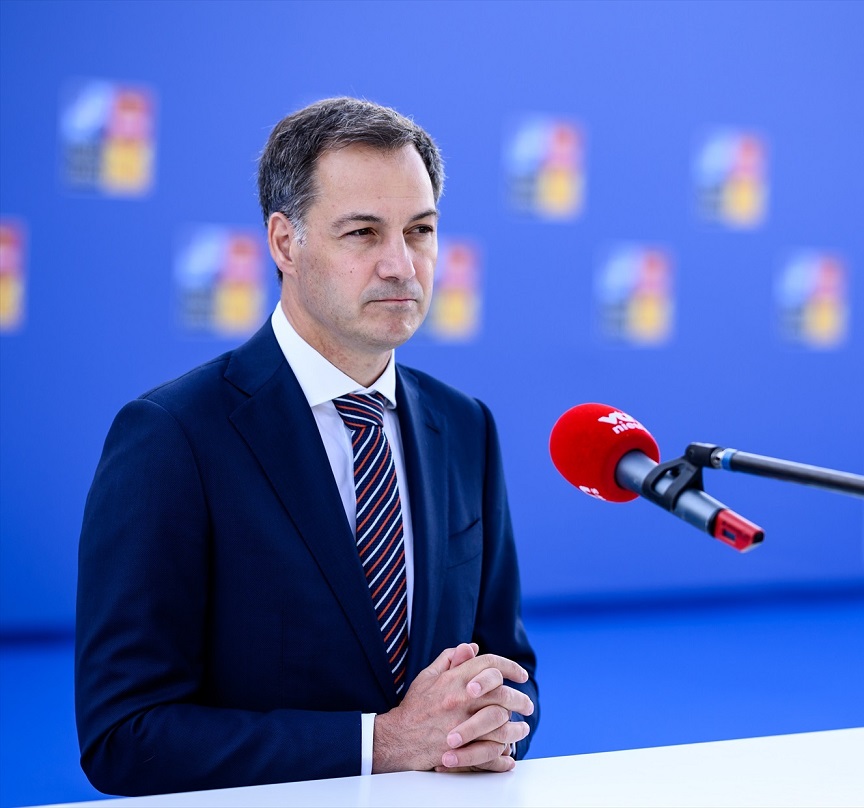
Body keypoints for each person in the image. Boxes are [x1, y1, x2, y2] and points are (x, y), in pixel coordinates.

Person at [75, 97, 539, 796]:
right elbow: (125, 737)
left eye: (420, 230)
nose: (400, 266)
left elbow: (509, 672)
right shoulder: (172, 436)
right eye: (362, 233)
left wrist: (491, 725)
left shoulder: (465, 425)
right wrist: (378, 743)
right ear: (285, 243)